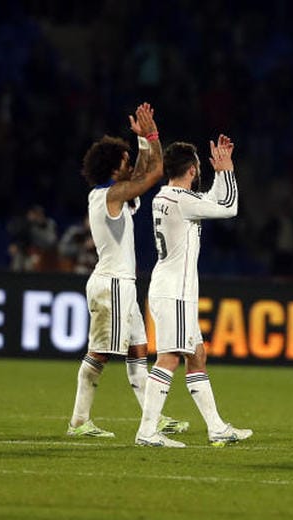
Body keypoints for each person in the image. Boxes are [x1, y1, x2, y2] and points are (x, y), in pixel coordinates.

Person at [67, 103, 189, 439]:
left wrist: (143, 142)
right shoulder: (111, 195)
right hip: (113, 285)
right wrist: (152, 136)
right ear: (112, 168)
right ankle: (79, 421)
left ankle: (155, 418)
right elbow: (151, 175)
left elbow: (141, 172)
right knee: (101, 352)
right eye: (123, 160)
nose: (129, 164)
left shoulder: (111, 196)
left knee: (138, 351)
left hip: (122, 285)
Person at [135, 135, 250, 448]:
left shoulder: (167, 196)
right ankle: (146, 432)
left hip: (172, 290)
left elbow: (210, 201)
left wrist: (219, 173)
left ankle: (217, 428)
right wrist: (227, 171)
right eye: (199, 166)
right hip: (174, 293)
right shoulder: (182, 202)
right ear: (191, 170)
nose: (200, 170)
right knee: (170, 357)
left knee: (197, 355)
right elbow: (228, 207)